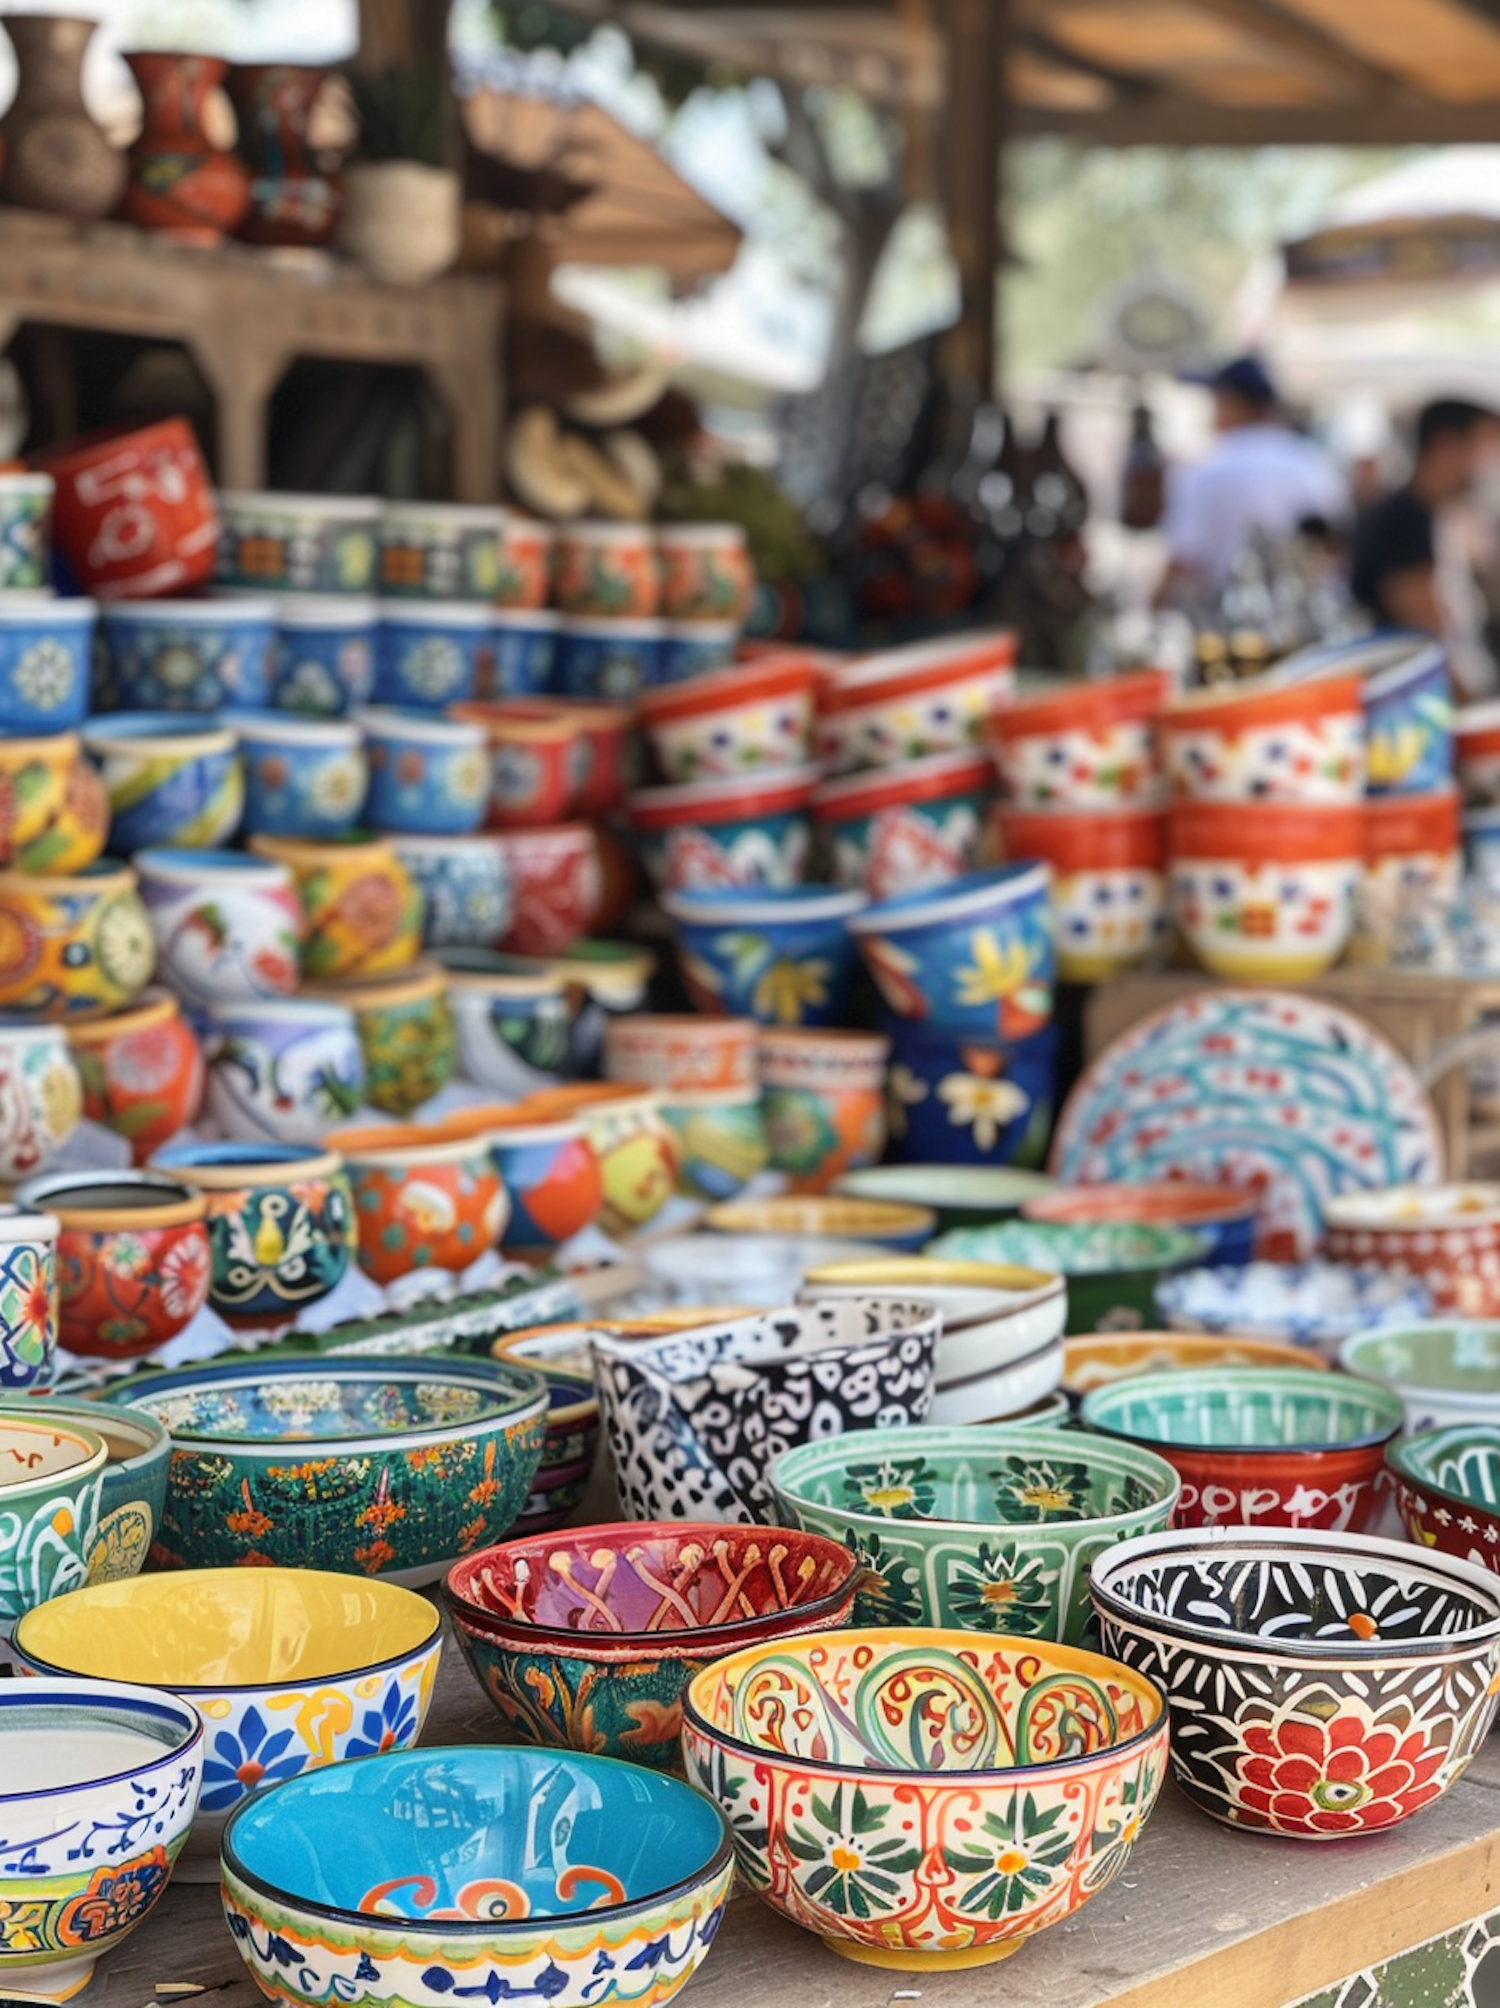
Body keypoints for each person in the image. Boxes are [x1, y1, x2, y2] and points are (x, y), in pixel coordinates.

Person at [1155, 356, 1348, 608]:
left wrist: (1150, 611)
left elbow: (1182, 563)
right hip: (1308, 626)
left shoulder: (1207, 469)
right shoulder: (1314, 464)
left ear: (1231, 401)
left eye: (1216, 400)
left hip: (1228, 630)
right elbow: (1337, 553)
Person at [1350, 398, 1500, 640]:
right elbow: (1432, 634)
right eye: (1489, 446)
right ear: (1446, 445)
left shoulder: (1439, 513)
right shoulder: (1402, 522)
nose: (1493, 463)